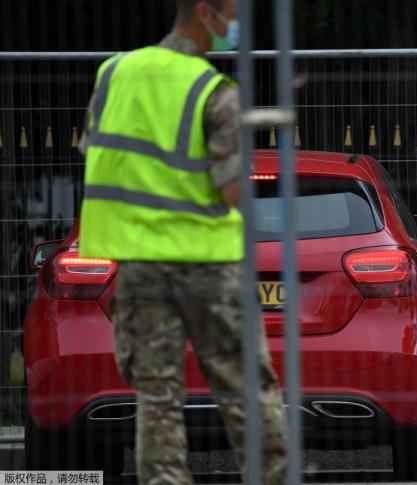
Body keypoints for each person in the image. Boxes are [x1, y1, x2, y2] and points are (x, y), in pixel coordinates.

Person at [78, 1, 287, 484]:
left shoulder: (113, 75)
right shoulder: (214, 92)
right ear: (204, 13)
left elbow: (98, 154)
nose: (236, 27)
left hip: (140, 263)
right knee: (247, 392)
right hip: (207, 263)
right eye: (233, 14)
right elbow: (231, 190)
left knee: (157, 397)